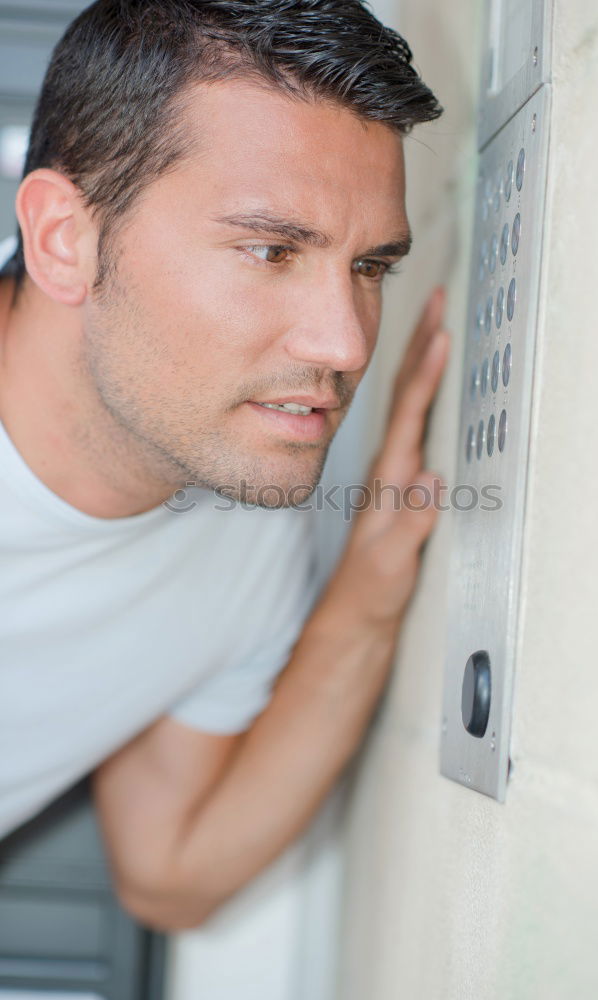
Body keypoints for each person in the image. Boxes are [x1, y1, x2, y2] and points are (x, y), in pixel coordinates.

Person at [0, 0, 450, 931]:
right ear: (63, 239)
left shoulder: (244, 539)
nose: (343, 344)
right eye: (268, 249)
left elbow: (173, 870)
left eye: (370, 268)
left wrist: (370, 585)